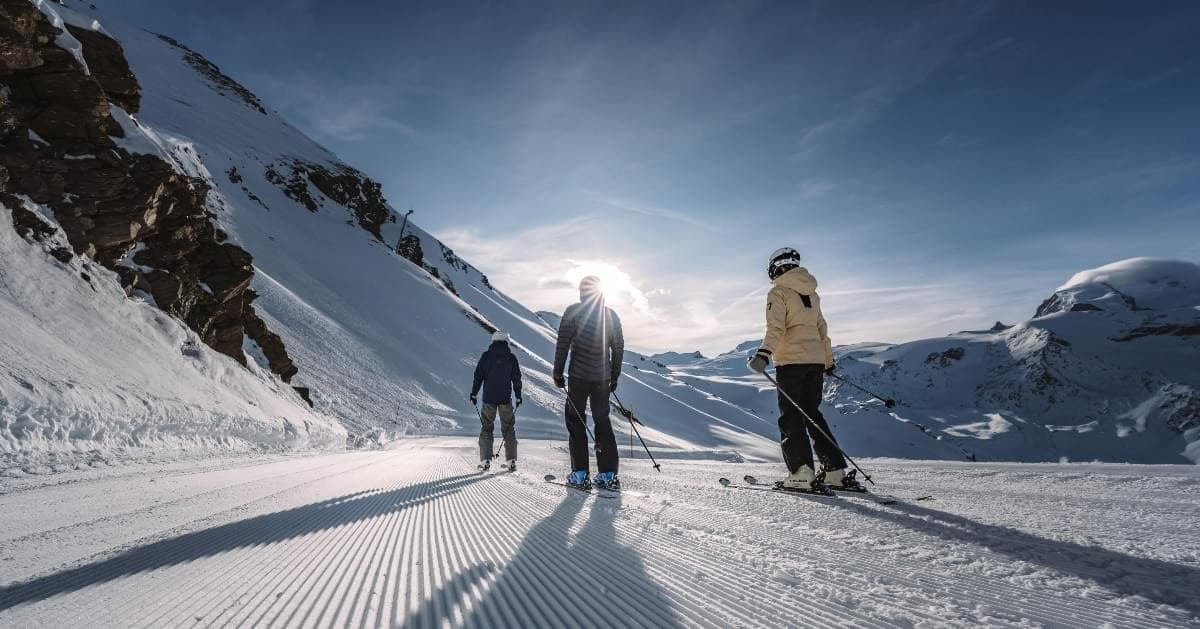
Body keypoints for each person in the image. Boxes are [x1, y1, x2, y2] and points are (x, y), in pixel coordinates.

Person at [747, 247, 859, 492]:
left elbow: (775, 327)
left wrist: (764, 354)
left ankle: (801, 473)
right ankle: (835, 472)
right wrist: (828, 362)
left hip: (791, 362)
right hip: (815, 362)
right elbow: (822, 331)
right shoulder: (812, 294)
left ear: (775, 267)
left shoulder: (778, 292)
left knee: (791, 416)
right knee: (812, 414)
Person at [552, 276, 625, 489]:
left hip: (579, 377)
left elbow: (562, 345)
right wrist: (614, 376)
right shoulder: (611, 315)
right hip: (602, 378)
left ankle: (580, 474)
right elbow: (618, 348)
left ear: (581, 292)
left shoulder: (573, 311)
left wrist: (558, 373)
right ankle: (608, 474)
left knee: (576, 421)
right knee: (602, 421)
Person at [470, 331, 522, 472]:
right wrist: (518, 396)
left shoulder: (486, 356)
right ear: (506, 341)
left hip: (489, 399)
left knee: (486, 428)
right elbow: (516, 378)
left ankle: (486, 460)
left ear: (493, 341)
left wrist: (474, 393)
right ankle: (511, 461)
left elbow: (478, 376)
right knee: (509, 428)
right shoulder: (511, 358)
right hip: (505, 399)